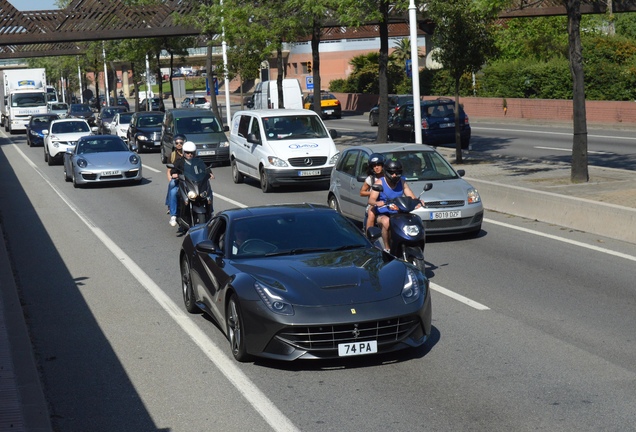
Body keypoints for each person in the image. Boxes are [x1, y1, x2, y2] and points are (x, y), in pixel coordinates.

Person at [366, 159, 421, 251]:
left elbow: (410, 195)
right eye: (391, 173)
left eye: (397, 173)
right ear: (386, 172)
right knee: (386, 222)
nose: (394, 175)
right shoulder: (379, 183)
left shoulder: (402, 182)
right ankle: (387, 248)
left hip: (398, 212)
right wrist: (377, 203)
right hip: (383, 213)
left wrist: (418, 202)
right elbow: (371, 200)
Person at [168, 141, 215, 226]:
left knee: (208, 192)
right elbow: (173, 170)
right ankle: (173, 216)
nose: (189, 154)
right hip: (183, 184)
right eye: (187, 153)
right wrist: (174, 174)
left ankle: (211, 212)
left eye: (191, 153)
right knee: (173, 192)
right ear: (184, 152)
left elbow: (205, 168)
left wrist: (209, 173)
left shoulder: (198, 161)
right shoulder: (180, 161)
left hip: (195, 184)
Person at [359, 153, 385, 228]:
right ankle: (369, 234)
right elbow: (362, 192)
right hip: (373, 203)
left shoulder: (387, 177)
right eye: (374, 166)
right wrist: (373, 193)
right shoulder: (371, 179)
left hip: (386, 202)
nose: (376, 168)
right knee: (371, 213)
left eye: (378, 165)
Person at [165, 134, 186, 222]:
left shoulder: (189, 153)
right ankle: (171, 207)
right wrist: (171, 178)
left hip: (188, 178)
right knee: (172, 186)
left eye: (181, 142)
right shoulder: (172, 155)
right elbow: (169, 170)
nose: (179, 144)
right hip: (177, 178)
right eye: (177, 143)